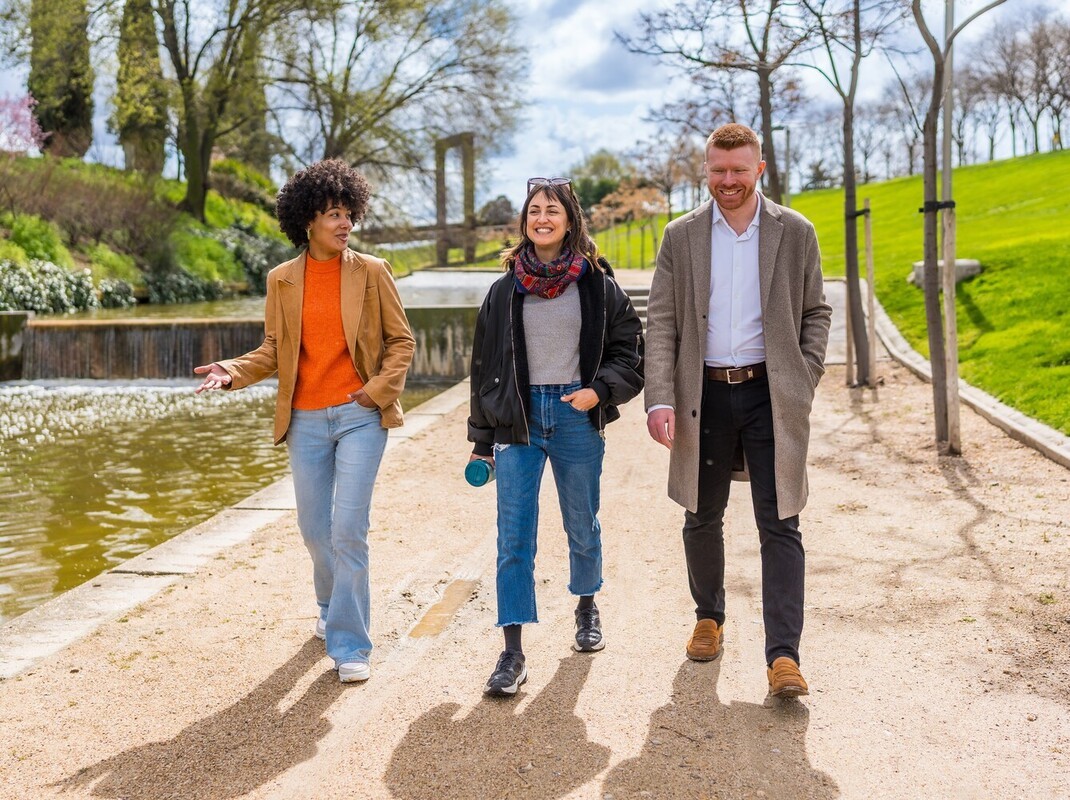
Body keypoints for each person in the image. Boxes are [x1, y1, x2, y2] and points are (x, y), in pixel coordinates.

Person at [194, 159, 415, 684]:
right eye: (334, 215)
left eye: (349, 214)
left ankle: (350, 645)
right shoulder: (282, 280)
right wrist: (231, 371)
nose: (345, 225)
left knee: (348, 529)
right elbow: (273, 351)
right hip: (306, 420)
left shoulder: (373, 272)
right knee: (315, 531)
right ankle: (328, 601)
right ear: (308, 220)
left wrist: (374, 393)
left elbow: (401, 342)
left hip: (361, 416)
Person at [644, 123, 831, 697]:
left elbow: (816, 312)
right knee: (701, 514)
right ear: (707, 170)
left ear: (760, 169)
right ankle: (709, 617)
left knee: (780, 522)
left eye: (739, 170)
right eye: (719, 170)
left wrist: (805, 376)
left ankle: (783, 657)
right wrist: (660, 397)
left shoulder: (795, 231)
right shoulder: (682, 236)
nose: (729, 181)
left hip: (771, 394)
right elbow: (663, 323)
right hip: (703, 394)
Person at [468, 176, 644, 697]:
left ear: (570, 220)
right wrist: (482, 440)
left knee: (581, 525)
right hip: (518, 423)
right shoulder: (503, 291)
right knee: (513, 538)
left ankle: (587, 607)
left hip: (574, 414)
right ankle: (512, 652)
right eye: (534, 210)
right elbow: (485, 370)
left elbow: (631, 349)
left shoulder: (597, 284)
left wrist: (599, 392)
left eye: (552, 210)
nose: (542, 218)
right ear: (524, 222)